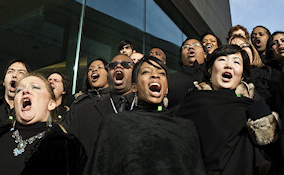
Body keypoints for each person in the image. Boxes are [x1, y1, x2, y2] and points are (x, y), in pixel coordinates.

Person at [85, 56, 206, 174]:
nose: (155, 75)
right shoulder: (114, 124)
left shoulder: (186, 129)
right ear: (134, 87)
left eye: (161, 73)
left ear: (167, 88)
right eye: (146, 72)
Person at [177, 45, 279, 174]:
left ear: (242, 74)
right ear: (209, 69)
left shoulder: (253, 107)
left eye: (236, 62)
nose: (229, 65)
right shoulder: (192, 102)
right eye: (222, 60)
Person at [0, 73, 87, 174]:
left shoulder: (68, 148)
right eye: (19, 90)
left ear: (51, 104)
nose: (25, 91)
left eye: (35, 87)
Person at [63, 54, 135, 156]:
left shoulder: (149, 110)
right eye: (113, 65)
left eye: (125, 64)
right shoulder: (81, 110)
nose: (118, 66)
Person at [168, 38, 207, 108]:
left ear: (205, 54)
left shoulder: (213, 76)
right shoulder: (170, 79)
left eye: (196, 45)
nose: (190, 47)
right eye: (185, 47)